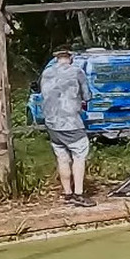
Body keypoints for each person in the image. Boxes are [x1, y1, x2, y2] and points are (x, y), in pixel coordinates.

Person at [41, 49, 95, 207]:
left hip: (51, 123)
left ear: (56, 58)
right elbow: (87, 96)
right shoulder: (77, 71)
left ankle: (67, 193)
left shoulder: (46, 73)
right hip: (70, 123)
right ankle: (79, 194)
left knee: (62, 156)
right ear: (70, 57)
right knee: (79, 154)